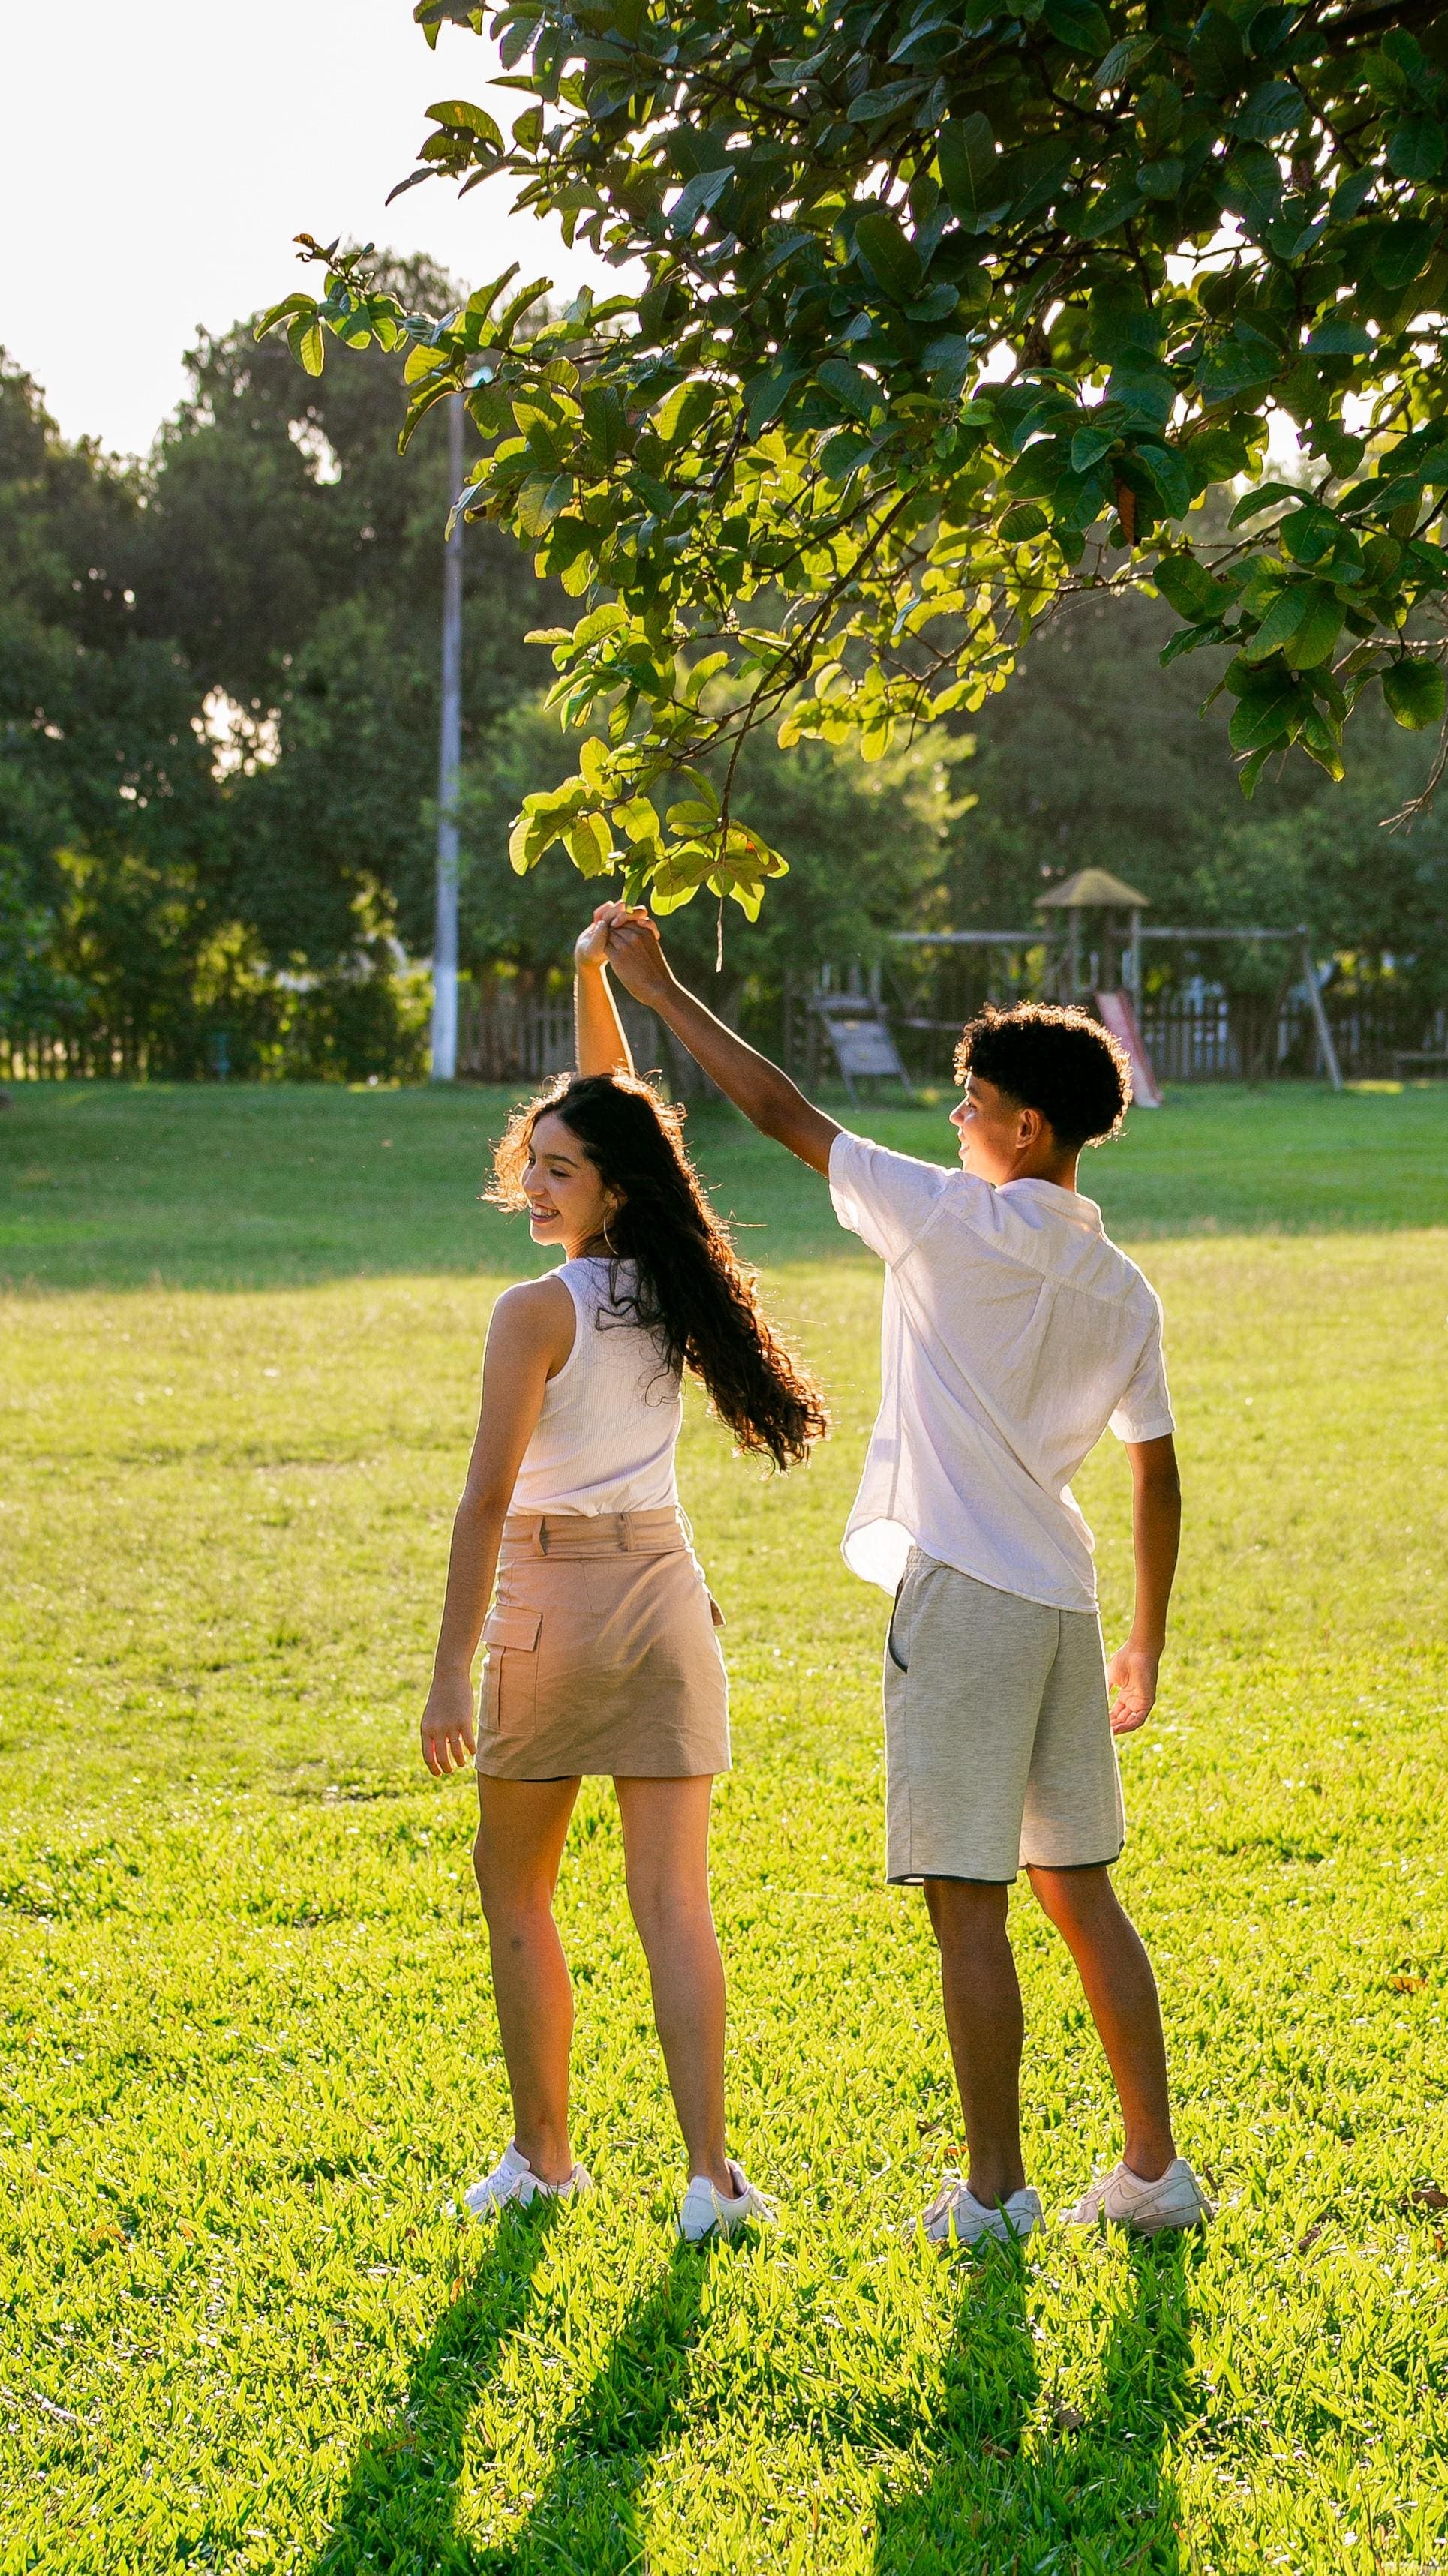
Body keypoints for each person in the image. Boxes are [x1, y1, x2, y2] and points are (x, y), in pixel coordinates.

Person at [600, 902, 1212, 2250]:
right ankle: (1152, 2170)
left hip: (966, 1601)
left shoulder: (947, 1223)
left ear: (1026, 1132)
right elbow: (1155, 1468)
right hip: (1062, 1598)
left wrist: (656, 987)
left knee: (966, 1904)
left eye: (969, 1102)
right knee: (1081, 1887)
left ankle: (992, 2191)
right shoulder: (1121, 1286)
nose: (952, 1122)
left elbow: (776, 1108)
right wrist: (1145, 1643)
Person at [421, 915, 827, 2241]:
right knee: (672, 1901)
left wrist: (444, 1677)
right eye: (529, 1166)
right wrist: (591, 975)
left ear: (606, 1187)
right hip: (663, 1594)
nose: (537, 1188)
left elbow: (485, 1498)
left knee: (517, 1888)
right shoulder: (668, 1281)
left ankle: (546, 2157)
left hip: (550, 1600)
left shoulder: (531, 1312)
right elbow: (623, 1113)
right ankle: (711, 2176)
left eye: (560, 1172)